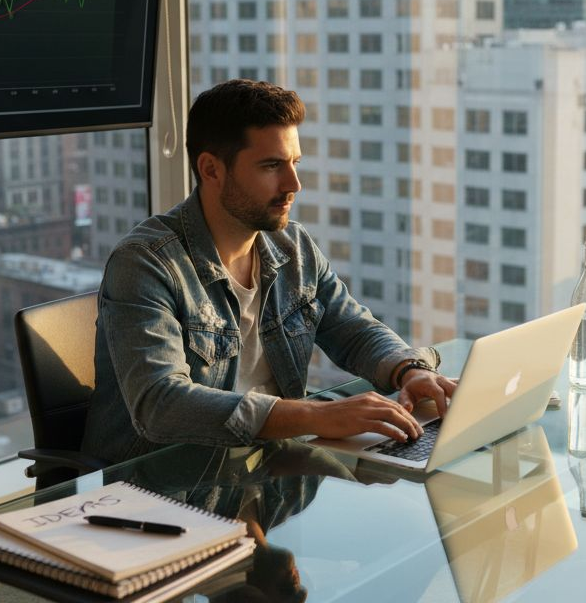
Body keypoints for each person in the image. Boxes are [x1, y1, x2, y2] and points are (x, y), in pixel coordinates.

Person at [82, 79, 457, 464]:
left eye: (294, 163)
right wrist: (316, 415)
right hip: (161, 490)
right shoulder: (146, 262)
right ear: (211, 169)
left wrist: (409, 370)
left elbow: (354, 330)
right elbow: (161, 405)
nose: (293, 184)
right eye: (271, 166)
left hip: (268, 473)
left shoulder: (292, 246)